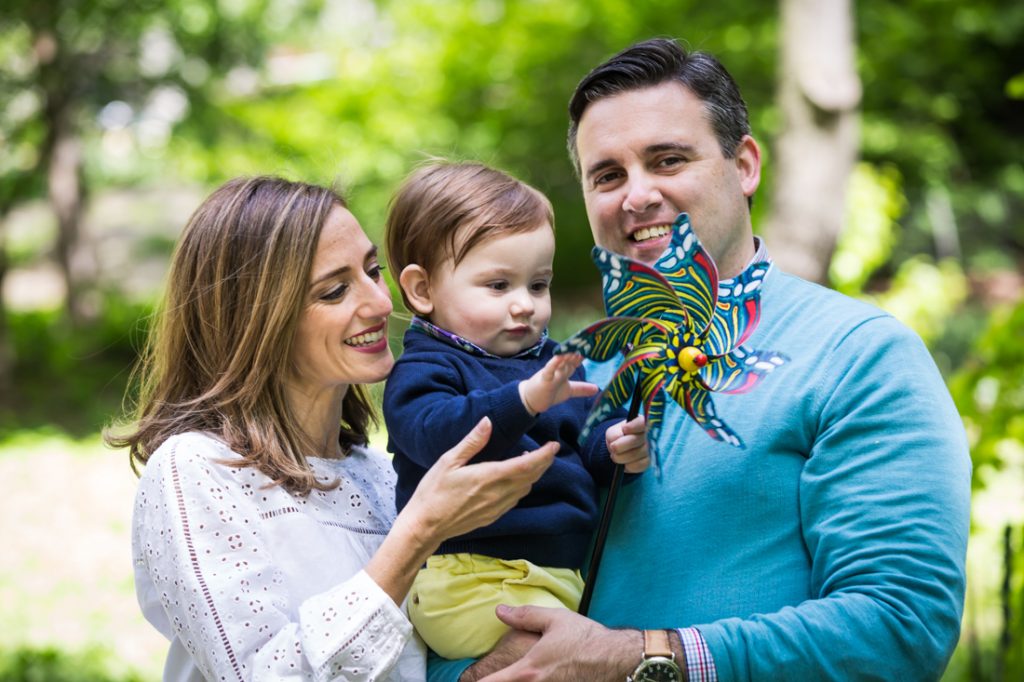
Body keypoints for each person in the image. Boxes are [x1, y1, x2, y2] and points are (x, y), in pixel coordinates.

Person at [433, 38, 972, 682]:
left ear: (744, 165)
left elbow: (899, 626)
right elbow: (445, 593)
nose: (636, 196)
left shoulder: (859, 354)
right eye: (607, 175)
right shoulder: (557, 375)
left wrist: (643, 658)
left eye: (667, 160)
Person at [106, 175, 561, 681]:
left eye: (373, 271)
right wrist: (418, 534)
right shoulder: (196, 470)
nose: (381, 304)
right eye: (335, 290)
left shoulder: (383, 476)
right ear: (258, 318)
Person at [382, 161, 650, 660]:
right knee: (555, 663)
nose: (525, 304)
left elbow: (584, 436)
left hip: (554, 576)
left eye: (538, 285)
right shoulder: (427, 367)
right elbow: (434, 434)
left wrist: (615, 448)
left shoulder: (550, 363)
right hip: (469, 578)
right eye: (499, 286)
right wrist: (524, 401)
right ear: (423, 290)